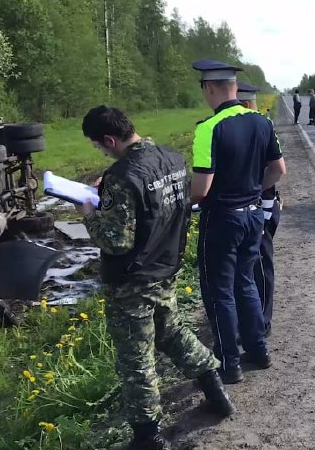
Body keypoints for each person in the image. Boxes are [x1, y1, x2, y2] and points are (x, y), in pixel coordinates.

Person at [76, 105, 235, 450]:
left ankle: (148, 437)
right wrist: (111, 196)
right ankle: (214, 387)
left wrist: (89, 213)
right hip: (166, 266)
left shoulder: (123, 175)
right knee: (172, 331)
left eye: (99, 147)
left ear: (109, 139)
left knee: (136, 359)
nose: (101, 152)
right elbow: (158, 205)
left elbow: (117, 242)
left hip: (132, 281)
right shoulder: (171, 158)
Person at [190, 59, 286, 384]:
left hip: (222, 219)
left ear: (210, 88)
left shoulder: (208, 129)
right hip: (254, 215)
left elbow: (201, 189)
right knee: (246, 283)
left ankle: (229, 363)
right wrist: (253, 190)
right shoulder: (262, 123)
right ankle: (258, 351)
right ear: (234, 87)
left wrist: (181, 200)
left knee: (220, 292)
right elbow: (278, 170)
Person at [237, 81, 282, 337]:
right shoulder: (264, 125)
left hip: (260, 206)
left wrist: (252, 188)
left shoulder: (258, 127)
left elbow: (276, 170)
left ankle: (261, 324)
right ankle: (254, 321)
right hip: (262, 205)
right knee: (253, 266)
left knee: (260, 266)